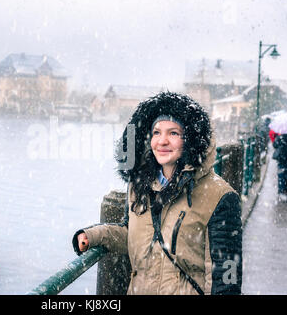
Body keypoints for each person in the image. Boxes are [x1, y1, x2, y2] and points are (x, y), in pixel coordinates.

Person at [72, 91, 242, 295]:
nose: (162, 141)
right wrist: (93, 235)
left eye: (173, 133)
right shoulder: (139, 186)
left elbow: (227, 277)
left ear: (191, 140)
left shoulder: (219, 197)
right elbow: (134, 234)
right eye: (156, 132)